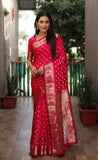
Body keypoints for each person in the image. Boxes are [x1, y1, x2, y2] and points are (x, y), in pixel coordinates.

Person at [27, 11, 78, 157]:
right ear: (36, 23)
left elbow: (62, 58)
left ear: (50, 24)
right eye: (41, 22)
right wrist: (32, 68)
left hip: (51, 80)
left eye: (47, 22)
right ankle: (39, 147)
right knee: (39, 113)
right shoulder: (32, 40)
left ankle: (54, 146)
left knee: (49, 111)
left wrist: (45, 68)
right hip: (37, 80)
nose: (44, 25)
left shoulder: (56, 38)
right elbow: (29, 58)